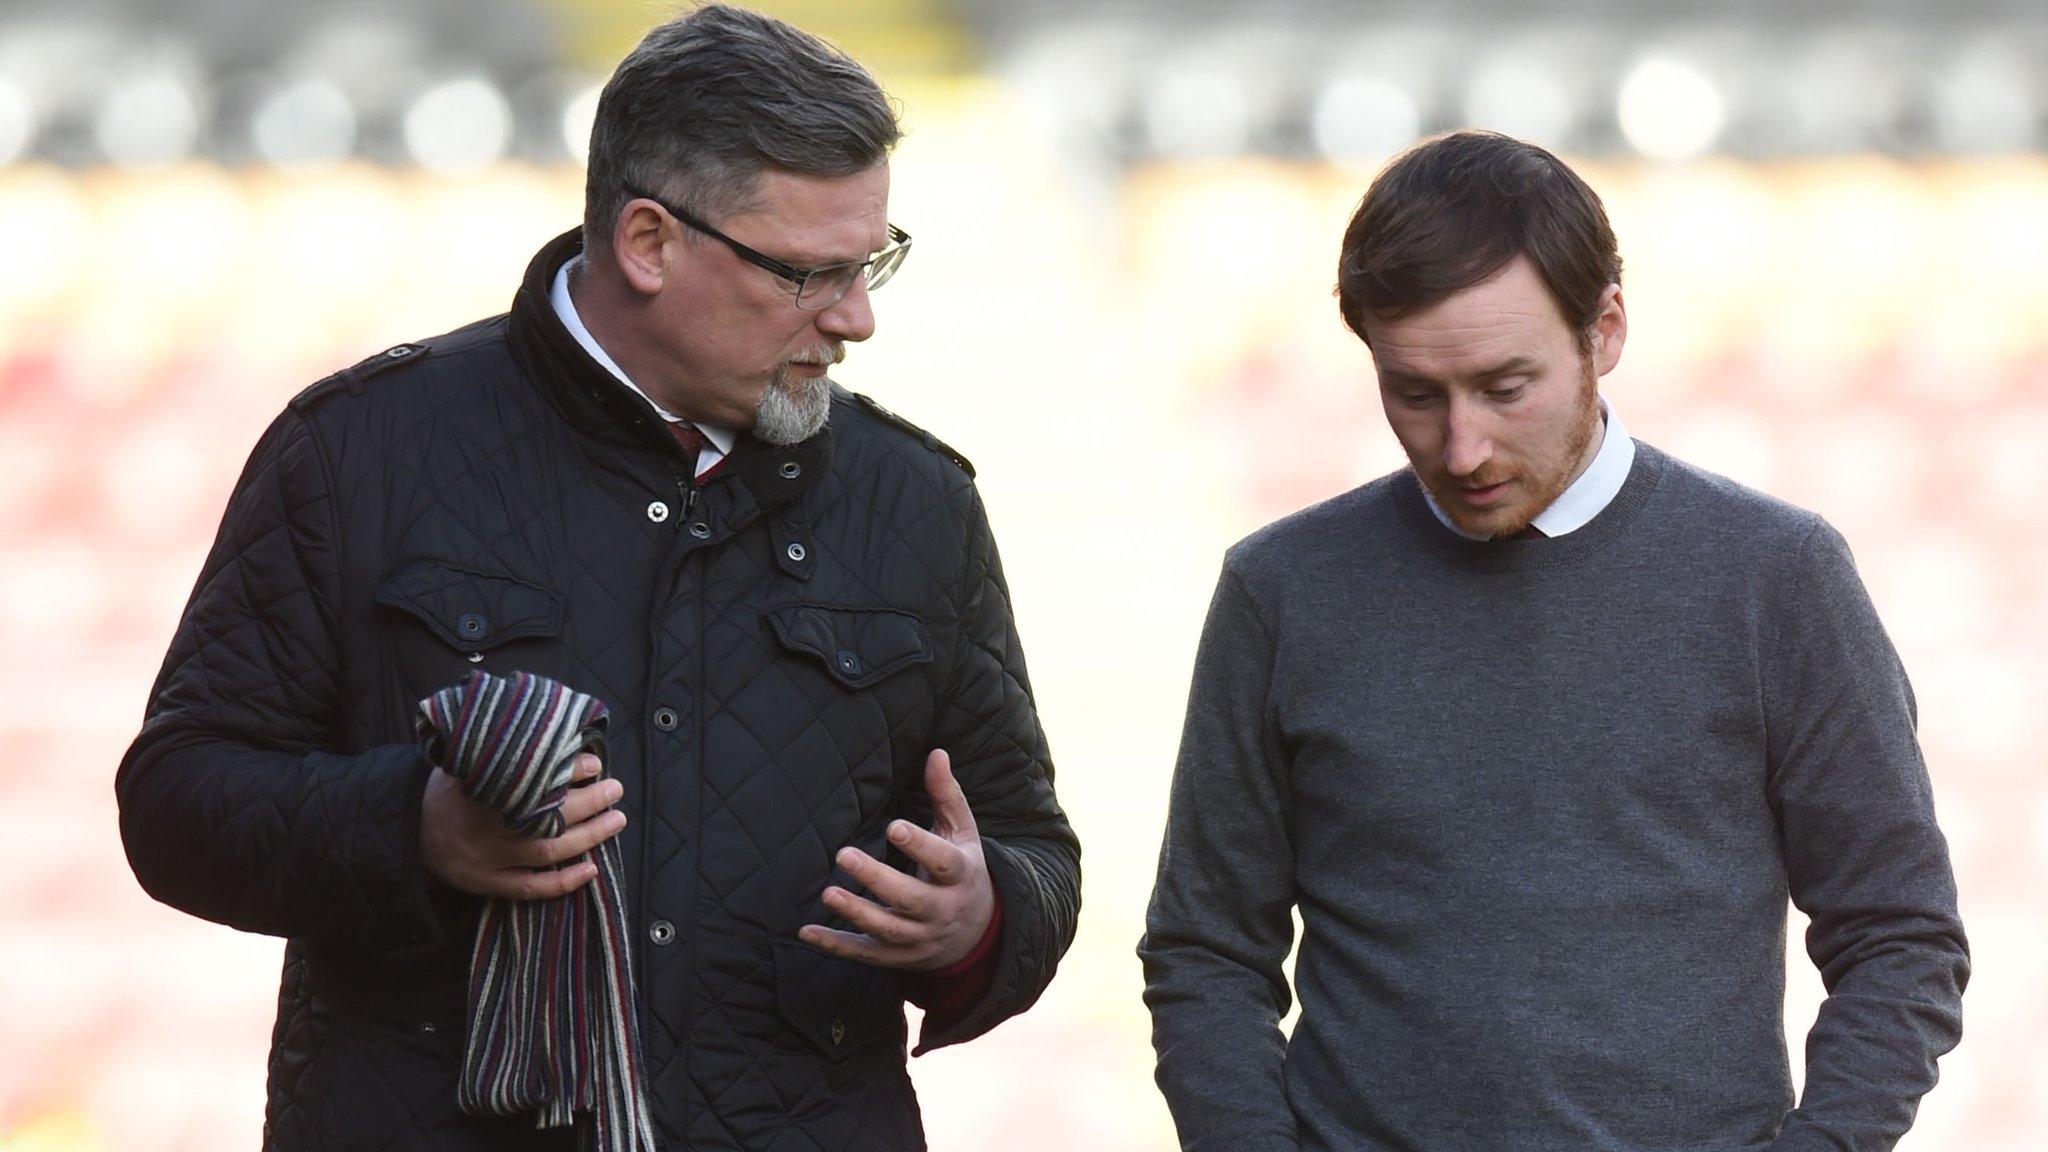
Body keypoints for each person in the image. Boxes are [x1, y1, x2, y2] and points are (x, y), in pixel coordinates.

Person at [115, 6, 1079, 1150]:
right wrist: (413, 830)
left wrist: (977, 920)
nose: (856, 317)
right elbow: (176, 803)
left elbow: (1030, 848)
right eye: (808, 274)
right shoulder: (357, 452)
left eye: (870, 261)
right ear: (647, 243)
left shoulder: (916, 501)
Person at [1139, 129, 1966, 1152]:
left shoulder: (1774, 577)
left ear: (1603, 329)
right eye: (1413, 392)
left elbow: (1898, 936)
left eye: (1503, 386)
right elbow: (1204, 952)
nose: (1462, 446)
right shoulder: (1281, 589)